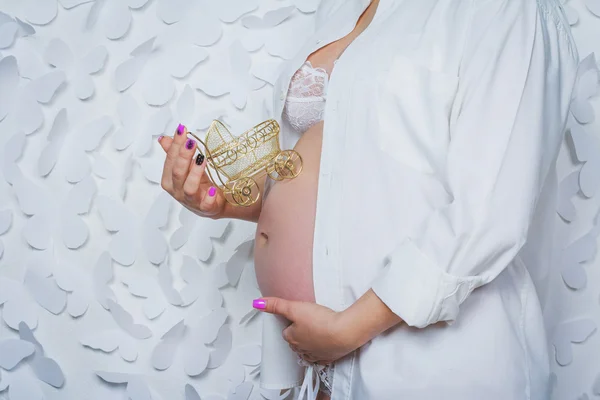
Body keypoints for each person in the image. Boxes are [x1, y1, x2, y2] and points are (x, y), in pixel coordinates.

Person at [158, 0, 579, 399]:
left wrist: (348, 329)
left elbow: (489, 211)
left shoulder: (503, 8)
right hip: (319, 364)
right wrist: (227, 203)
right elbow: (342, 180)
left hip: (431, 360)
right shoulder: (341, 7)